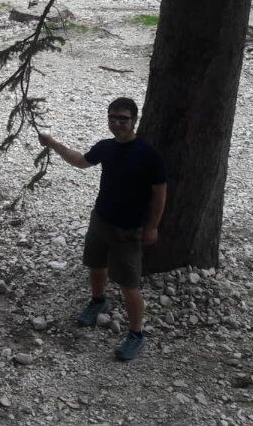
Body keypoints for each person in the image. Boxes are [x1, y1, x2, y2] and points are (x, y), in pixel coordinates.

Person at [37, 98, 167, 362]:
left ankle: (135, 334)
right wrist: (52, 143)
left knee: (129, 284)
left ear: (134, 121)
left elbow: (160, 193)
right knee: (96, 265)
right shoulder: (106, 147)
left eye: (123, 119)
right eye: (113, 118)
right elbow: (81, 161)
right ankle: (98, 301)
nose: (117, 124)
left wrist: (152, 227)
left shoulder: (148, 154)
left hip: (129, 229)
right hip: (101, 220)